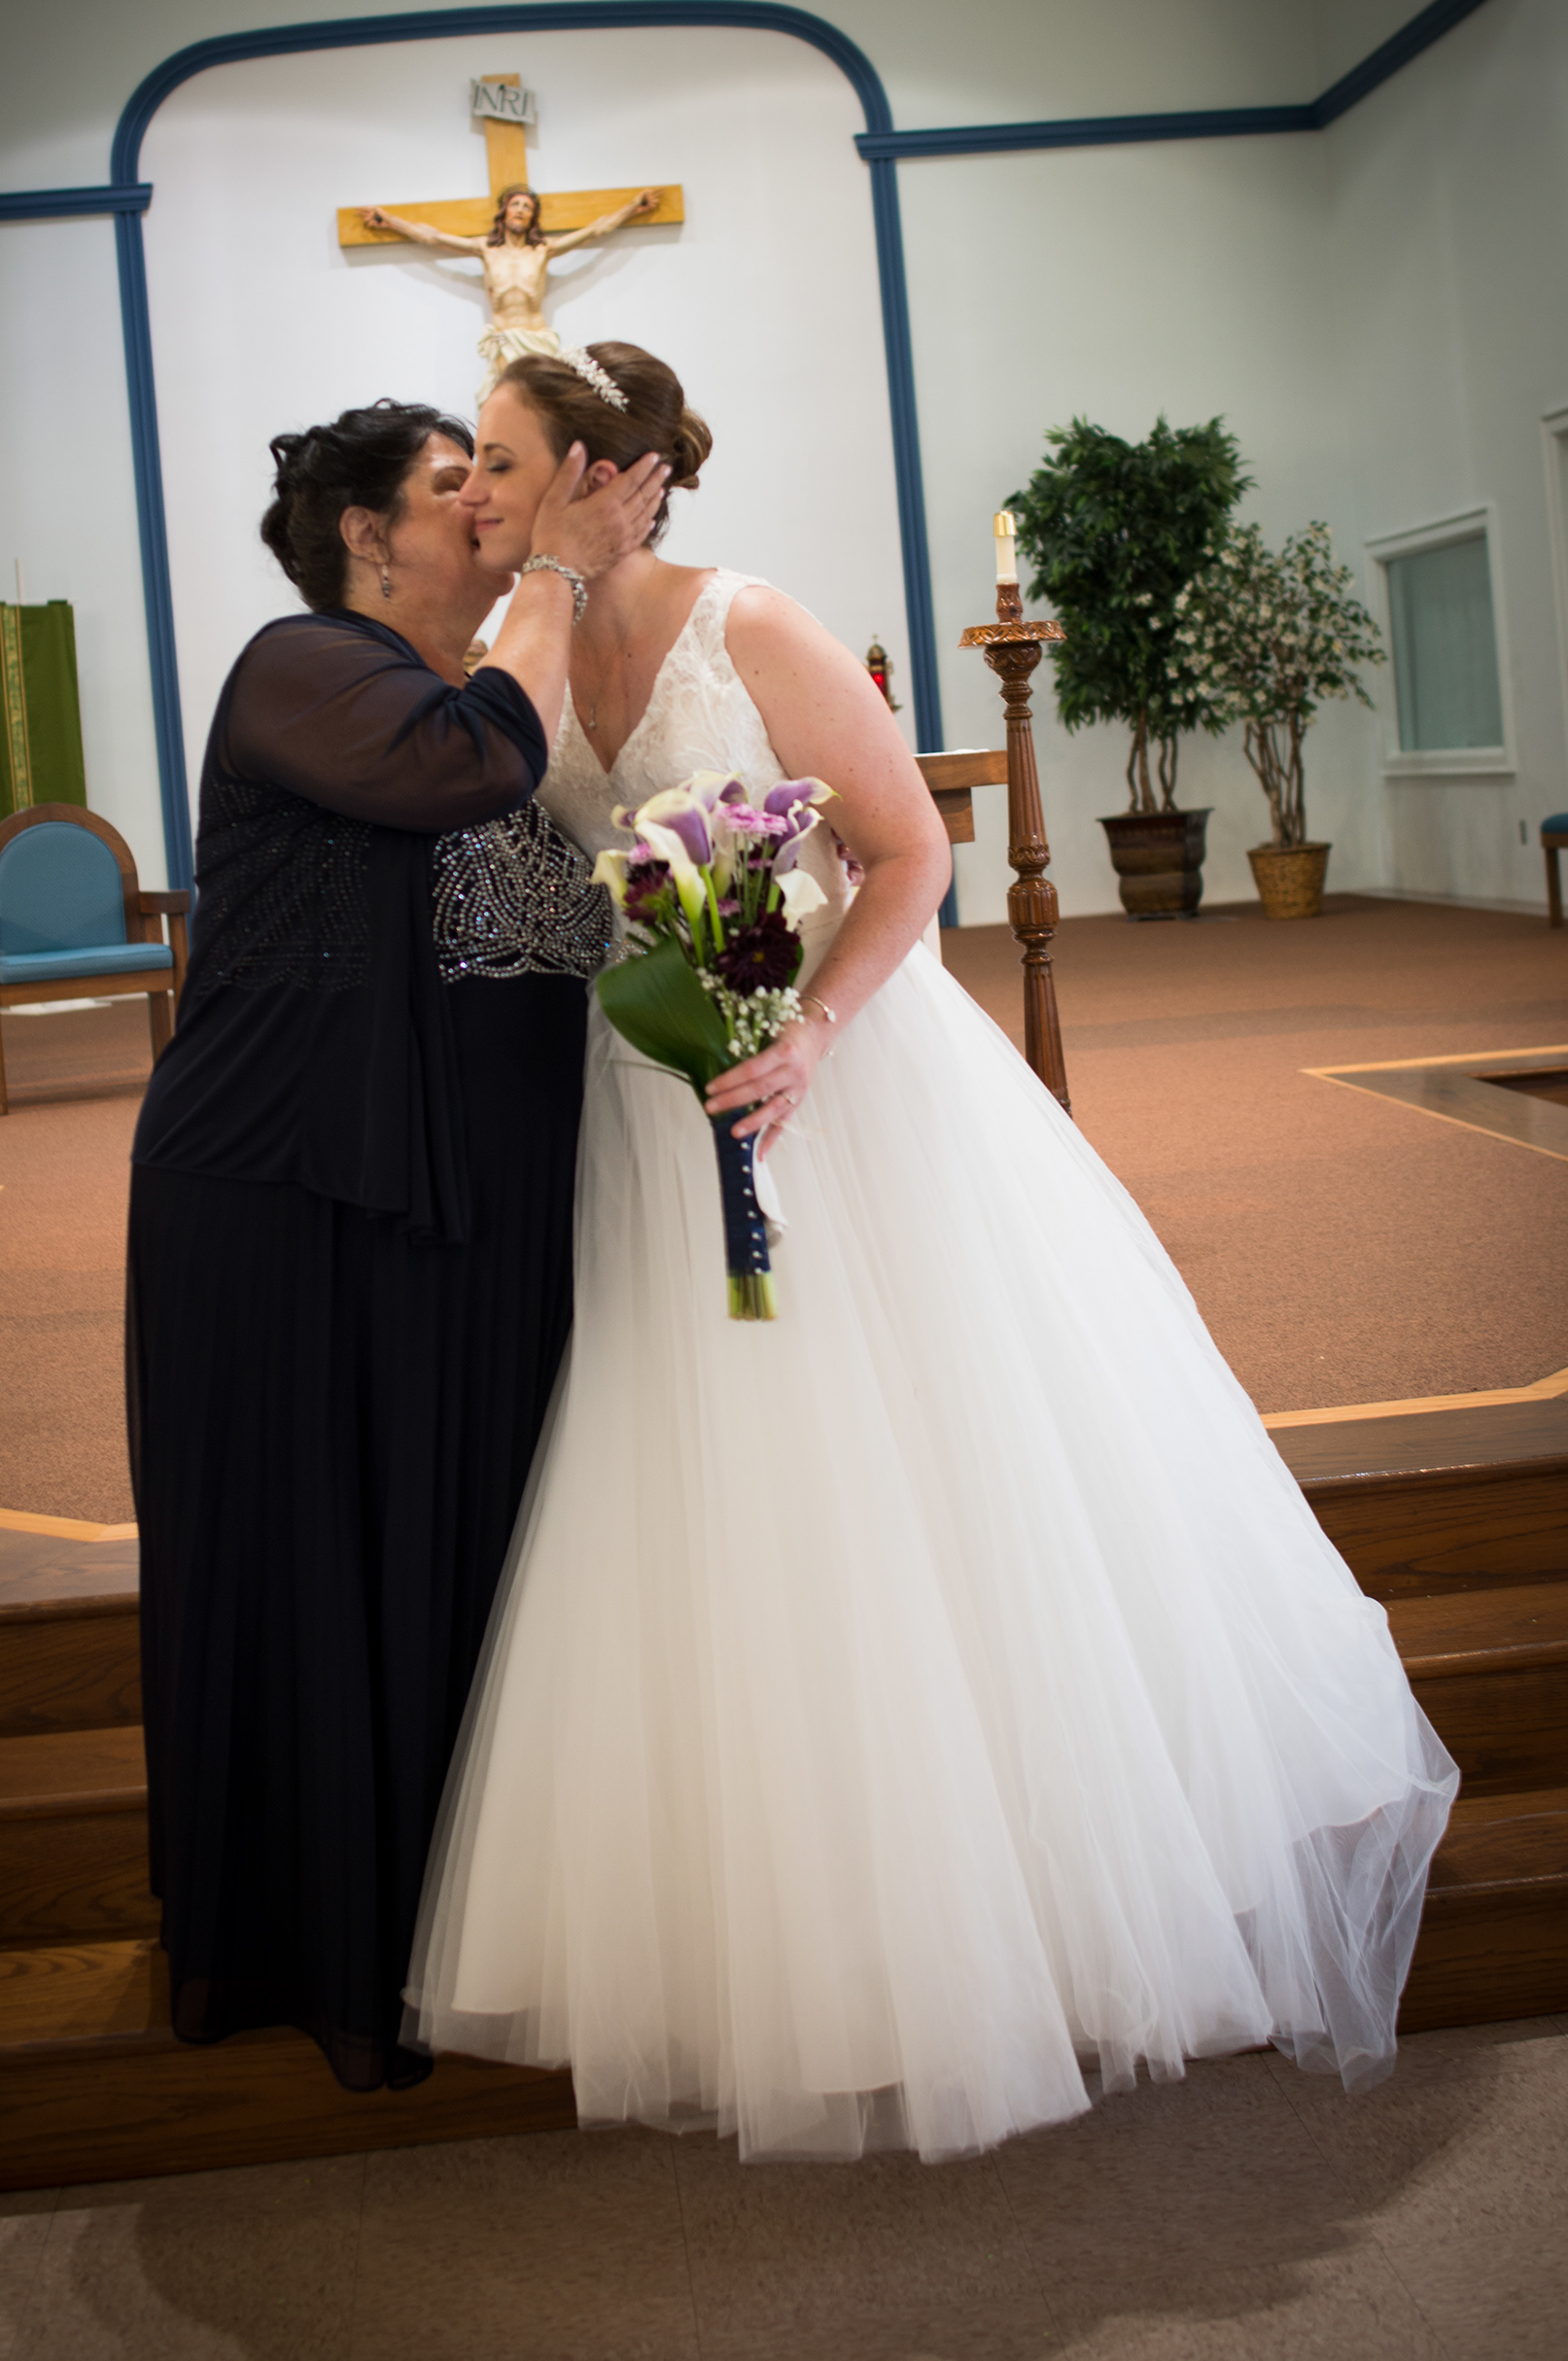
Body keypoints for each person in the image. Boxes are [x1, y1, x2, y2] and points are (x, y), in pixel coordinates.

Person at [404, 342, 1460, 2160]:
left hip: (838, 1086)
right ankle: (786, 1925)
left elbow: (907, 855)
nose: (471, 493)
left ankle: (1028, 1895)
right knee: (713, 1470)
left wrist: (805, 1029)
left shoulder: (754, 626)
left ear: (596, 471)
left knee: (924, 1454)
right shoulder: (519, 648)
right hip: (649, 1105)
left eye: (497, 461)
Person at [126, 396, 665, 2089]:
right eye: (455, 487)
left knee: (457, 1553)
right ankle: (314, 1943)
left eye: (492, 480)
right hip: (287, 1201)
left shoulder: (500, 697)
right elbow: (461, 772)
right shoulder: (304, 668)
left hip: (471, 1215)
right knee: (320, 1559)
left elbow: (562, 910)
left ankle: (459, 1933)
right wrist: (561, 575)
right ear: (366, 538)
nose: (489, 510)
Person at [363, 186, 662, 395]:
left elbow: (597, 230)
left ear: (533, 217)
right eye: (516, 204)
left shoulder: (543, 250)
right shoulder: (486, 249)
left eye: (527, 207)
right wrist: (389, 221)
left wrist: (633, 207)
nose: (520, 210)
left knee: (547, 401)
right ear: (504, 211)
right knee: (512, 397)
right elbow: (432, 237)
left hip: (538, 338)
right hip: (505, 341)